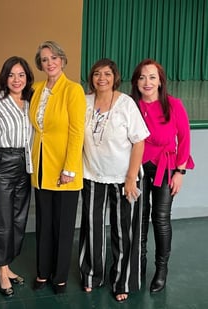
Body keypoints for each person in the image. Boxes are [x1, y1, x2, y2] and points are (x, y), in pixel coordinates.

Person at [78, 58, 149, 302]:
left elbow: (139, 141)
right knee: (92, 228)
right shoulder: (85, 102)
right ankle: (91, 276)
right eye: (97, 74)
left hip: (123, 178)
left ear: (114, 77)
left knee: (124, 232)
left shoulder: (126, 104)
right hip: (92, 175)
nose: (101, 78)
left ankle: (122, 282)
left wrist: (131, 178)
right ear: (92, 78)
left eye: (107, 74)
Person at [130, 58, 194, 293]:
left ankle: (161, 269)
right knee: (139, 217)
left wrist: (180, 171)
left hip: (165, 167)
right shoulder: (131, 105)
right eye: (142, 77)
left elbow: (185, 139)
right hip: (138, 167)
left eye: (152, 77)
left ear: (160, 81)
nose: (147, 82)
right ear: (136, 82)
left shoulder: (173, 104)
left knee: (160, 218)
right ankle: (139, 265)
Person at [29, 41, 86, 294]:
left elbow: (77, 133)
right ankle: (42, 271)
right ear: (40, 64)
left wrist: (70, 168)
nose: (49, 62)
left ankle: (60, 276)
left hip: (65, 169)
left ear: (62, 60)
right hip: (41, 167)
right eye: (44, 59)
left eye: (53, 57)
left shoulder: (73, 90)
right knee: (43, 224)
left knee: (63, 226)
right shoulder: (37, 89)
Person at [0, 56, 34, 297]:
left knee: (18, 218)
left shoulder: (32, 102)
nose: (16, 80)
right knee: (2, 219)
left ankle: (8, 262)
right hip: (2, 162)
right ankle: (1, 270)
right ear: (5, 78)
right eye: (12, 75)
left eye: (21, 75)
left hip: (26, 164)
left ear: (27, 78)